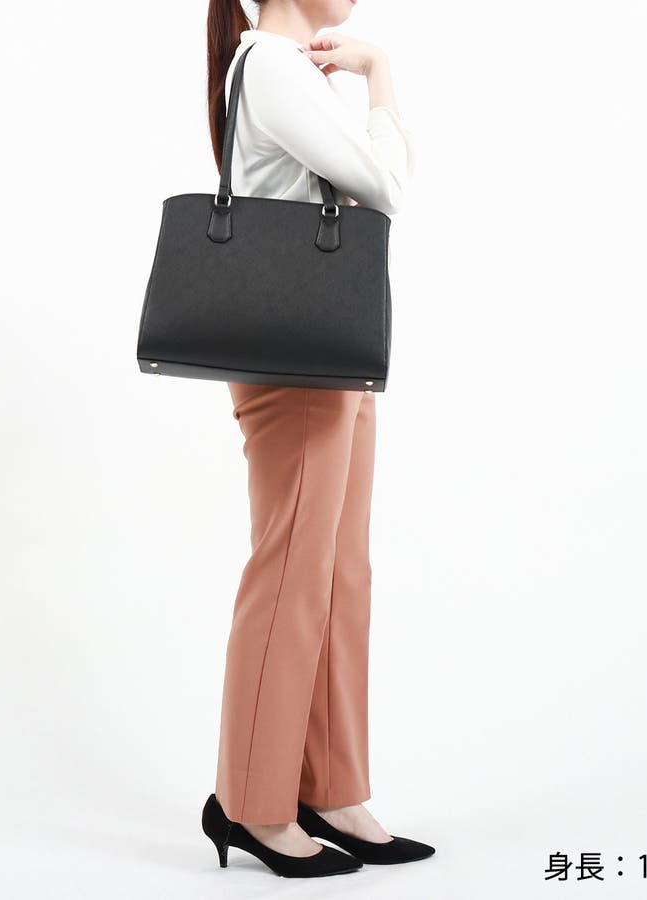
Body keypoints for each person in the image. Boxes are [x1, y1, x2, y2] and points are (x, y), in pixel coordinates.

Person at [200, 0, 435, 878]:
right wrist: (380, 76)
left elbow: (372, 184)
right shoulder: (268, 63)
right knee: (293, 574)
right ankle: (252, 803)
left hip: (333, 350)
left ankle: (331, 789)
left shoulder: (293, 72)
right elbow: (387, 187)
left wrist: (366, 80)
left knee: (339, 576)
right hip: (294, 359)